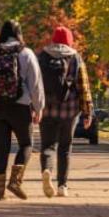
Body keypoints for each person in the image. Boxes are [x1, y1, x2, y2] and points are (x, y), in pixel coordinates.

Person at [0, 20, 44, 200]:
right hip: (20, 107)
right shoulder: (27, 54)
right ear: (19, 33)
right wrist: (39, 107)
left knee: (2, 148)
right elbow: (35, 84)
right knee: (26, 144)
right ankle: (15, 181)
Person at [37, 26, 93, 198]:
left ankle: (47, 170)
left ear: (53, 39)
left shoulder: (42, 56)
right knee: (65, 148)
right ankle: (62, 186)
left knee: (47, 146)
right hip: (69, 111)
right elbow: (83, 87)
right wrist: (87, 112)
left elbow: (35, 83)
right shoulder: (75, 57)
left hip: (46, 110)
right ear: (69, 40)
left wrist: (33, 107)